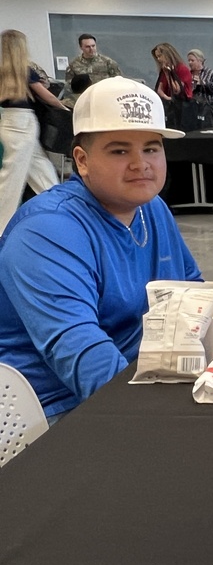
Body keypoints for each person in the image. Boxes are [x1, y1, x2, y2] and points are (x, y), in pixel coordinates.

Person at [0, 76, 201, 420]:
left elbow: (191, 294)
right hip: (52, 411)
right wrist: (168, 417)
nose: (141, 164)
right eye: (120, 150)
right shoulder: (48, 230)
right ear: (82, 160)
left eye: (151, 148)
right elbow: (82, 356)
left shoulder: (150, 207)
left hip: (137, 380)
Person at [0, 29, 67, 233]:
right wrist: (65, 109)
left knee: (42, 170)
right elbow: (47, 97)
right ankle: (2, 228)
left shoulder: (2, 71)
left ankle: (61, 212)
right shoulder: (25, 71)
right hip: (24, 122)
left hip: (7, 121)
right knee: (12, 178)